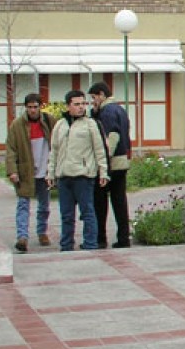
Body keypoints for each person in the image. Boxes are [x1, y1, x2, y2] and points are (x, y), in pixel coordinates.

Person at [47, 90, 109, 252]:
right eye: (77, 104)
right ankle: (66, 245)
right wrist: (51, 173)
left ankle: (90, 244)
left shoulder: (91, 124)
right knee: (66, 215)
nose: (81, 107)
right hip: (64, 177)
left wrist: (103, 172)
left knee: (88, 212)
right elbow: (54, 151)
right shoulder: (60, 125)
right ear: (68, 106)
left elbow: (99, 150)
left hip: (83, 176)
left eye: (83, 104)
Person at [5, 93, 55, 253]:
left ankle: (42, 232)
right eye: (30, 107)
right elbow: (11, 149)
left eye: (35, 107)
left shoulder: (49, 121)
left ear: (40, 106)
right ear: (25, 108)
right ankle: (22, 237)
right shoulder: (17, 125)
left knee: (44, 205)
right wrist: (12, 170)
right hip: (25, 171)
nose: (33, 110)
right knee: (23, 205)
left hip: (45, 170)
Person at [88, 82, 132, 249]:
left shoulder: (107, 112)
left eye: (94, 98)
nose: (93, 102)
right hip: (122, 161)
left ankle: (100, 238)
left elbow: (111, 136)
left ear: (101, 95)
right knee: (120, 201)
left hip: (110, 163)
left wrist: (104, 162)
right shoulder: (120, 109)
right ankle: (123, 237)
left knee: (100, 202)